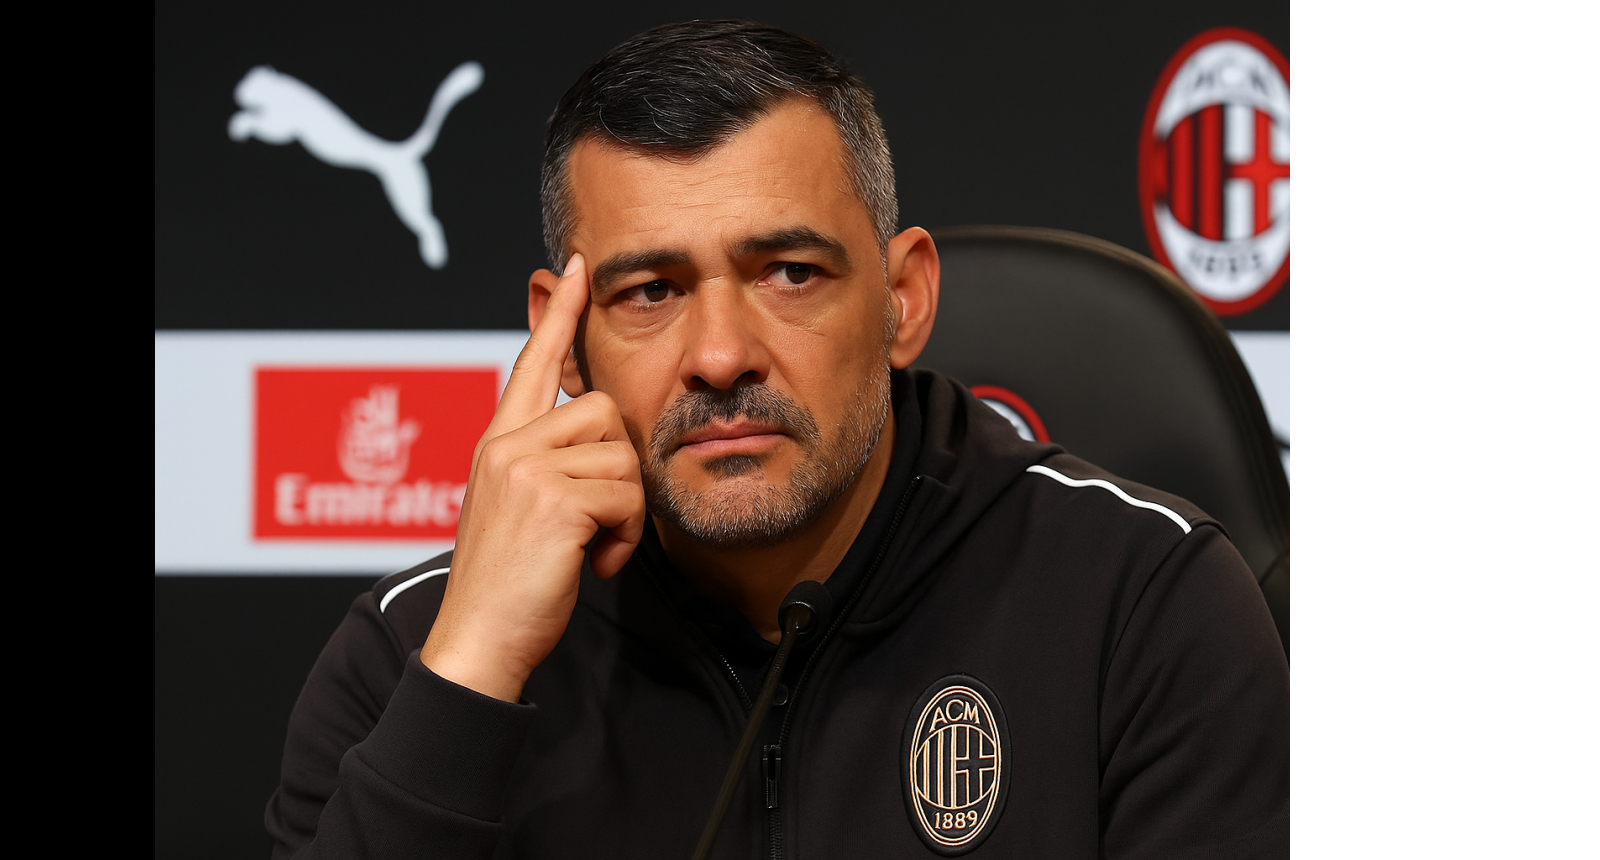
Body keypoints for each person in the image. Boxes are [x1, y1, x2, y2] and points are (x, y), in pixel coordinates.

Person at [266, 20, 1288, 859]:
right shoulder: (414, 653)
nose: (720, 356)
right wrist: (472, 671)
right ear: (562, 338)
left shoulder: (1143, 605)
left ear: (901, 298)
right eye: (651, 291)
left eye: (789, 273)